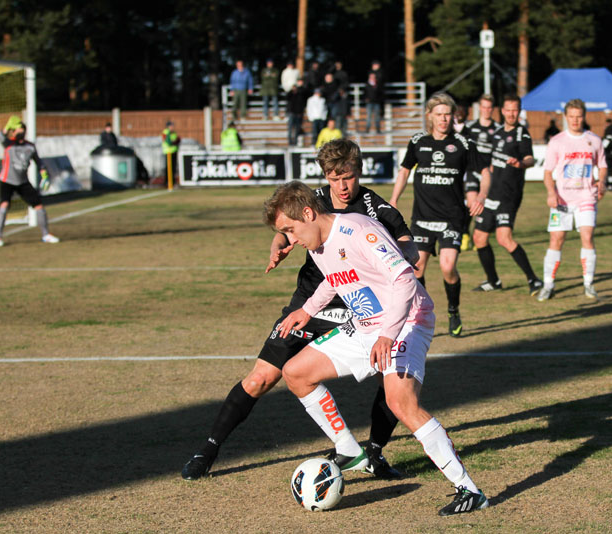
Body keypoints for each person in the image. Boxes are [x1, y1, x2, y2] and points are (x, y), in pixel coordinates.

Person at [181, 139, 416, 482]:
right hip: (308, 305)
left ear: (359, 172)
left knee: (393, 373)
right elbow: (283, 230)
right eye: (333, 178)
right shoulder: (311, 202)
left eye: (347, 177)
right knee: (260, 378)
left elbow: (408, 251)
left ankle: (373, 452)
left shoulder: (379, 211)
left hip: (360, 309)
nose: (341, 186)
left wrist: (398, 256)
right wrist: (280, 246)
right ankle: (208, 450)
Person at [269, 181, 489, 516]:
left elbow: (405, 280)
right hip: (368, 324)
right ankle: (349, 450)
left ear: (309, 213)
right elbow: (334, 278)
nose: (291, 239)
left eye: (290, 229)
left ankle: (469, 491)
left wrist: (388, 333)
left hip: (407, 320)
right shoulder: (317, 243)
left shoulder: (360, 230)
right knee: (296, 373)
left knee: (401, 402)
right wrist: (306, 310)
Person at [389, 92, 491, 337]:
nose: (444, 119)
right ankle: (424, 311)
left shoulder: (464, 144)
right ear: (430, 116)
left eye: (448, 114)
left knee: (448, 267)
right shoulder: (418, 142)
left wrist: (481, 196)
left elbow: (485, 172)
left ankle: (453, 310)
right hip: (422, 218)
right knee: (417, 270)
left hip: (452, 218)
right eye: (439, 115)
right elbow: (404, 172)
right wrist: (393, 200)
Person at [471, 94, 543, 296]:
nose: (512, 113)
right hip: (492, 192)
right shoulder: (497, 133)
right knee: (479, 238)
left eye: (515, 110)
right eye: (508, 109)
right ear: (502, 111)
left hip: (509, 195)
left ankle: (533, 279)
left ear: (519, 111)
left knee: (504, 238)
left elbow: (530, 158)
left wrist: (521, 163)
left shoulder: (522, 134)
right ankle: (493, 281)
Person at [537, 98, 607, 301]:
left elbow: (602, 165)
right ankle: (548, 284)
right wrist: (551, 193)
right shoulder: (557, 141)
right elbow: (548, 172)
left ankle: (588, 284)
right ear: (565, 117)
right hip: (562, 200)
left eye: (579, 116)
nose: (575, 120)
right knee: (556, 239)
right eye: (571, 117)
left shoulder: (594, 140)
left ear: (584, 117)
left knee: (587, 237)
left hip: (586, 197)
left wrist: (601, 181)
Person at [0, 116, 59, 247]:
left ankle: (46, 234)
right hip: (7, 180)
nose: (19, 133)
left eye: (21, 130)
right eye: (17, 130)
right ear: (13, 132)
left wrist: (44, 175)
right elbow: (1, 135)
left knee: (39, 206)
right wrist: (7, 127)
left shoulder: (30, 147)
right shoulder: (8, 144)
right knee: (4, 206)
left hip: (22, 182)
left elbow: (39, 163)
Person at [462, 94, 500, 253]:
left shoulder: (498, 129)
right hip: (472, 170)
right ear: (479, 108)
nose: (486, 110)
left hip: (487, 173)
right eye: (483, 107)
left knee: (482, 203)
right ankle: (465, 234)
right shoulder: (470, 127)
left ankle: (479, 234)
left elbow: (498, 151)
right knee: (471, 203)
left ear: (493, 109)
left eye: (489, 107)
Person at [286, 78, 309, 146]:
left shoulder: (300, 93)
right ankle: (290, 141)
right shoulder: (291, 94)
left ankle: (295, 141)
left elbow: (303, 98)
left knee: (297, 128)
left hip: (298, 113)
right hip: (292, 112)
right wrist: (291, 91)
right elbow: (287, 97)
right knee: (290, 128)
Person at [161, 120, 180, 185]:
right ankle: (167, 182)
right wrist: (173, 142)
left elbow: (177, 140)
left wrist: (176, 141)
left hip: (174, 151)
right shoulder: (166, 132)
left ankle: (173, 181)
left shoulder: (174, 132)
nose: (172, 127)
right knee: (168, 167)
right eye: (171, 126)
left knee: (173, 167)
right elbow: (168, 141)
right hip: (168, 152)